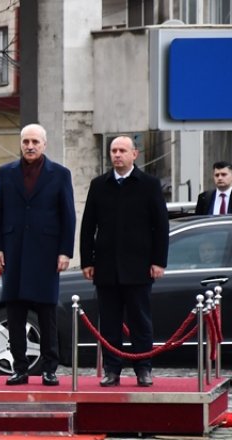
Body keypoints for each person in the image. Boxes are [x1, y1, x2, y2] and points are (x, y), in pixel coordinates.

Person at [0, 123, 76, 386]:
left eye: (35, 142)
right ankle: (20, 368)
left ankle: (50, 368)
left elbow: (68, 216)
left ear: (44, 145)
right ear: (21, 144)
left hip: (47, 253)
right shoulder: (6, 173)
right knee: (15, 313)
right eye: (26, 142)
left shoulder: (59, 174)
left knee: (47, 312)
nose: (30, 146)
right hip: (14, 252)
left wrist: (65, 251)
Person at [79, 135, 169, 388]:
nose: (117, 155)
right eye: (113, 150)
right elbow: (88, 226)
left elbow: (160, 226)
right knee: (109, 323)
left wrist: (158, 261)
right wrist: (88, 260)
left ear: (134, 154)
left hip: (139, 266)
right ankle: (112, 370)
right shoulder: (99, 185)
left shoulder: (149, 185)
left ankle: (143, 369)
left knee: (140, 321)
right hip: (106, 267)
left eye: (122, 150)